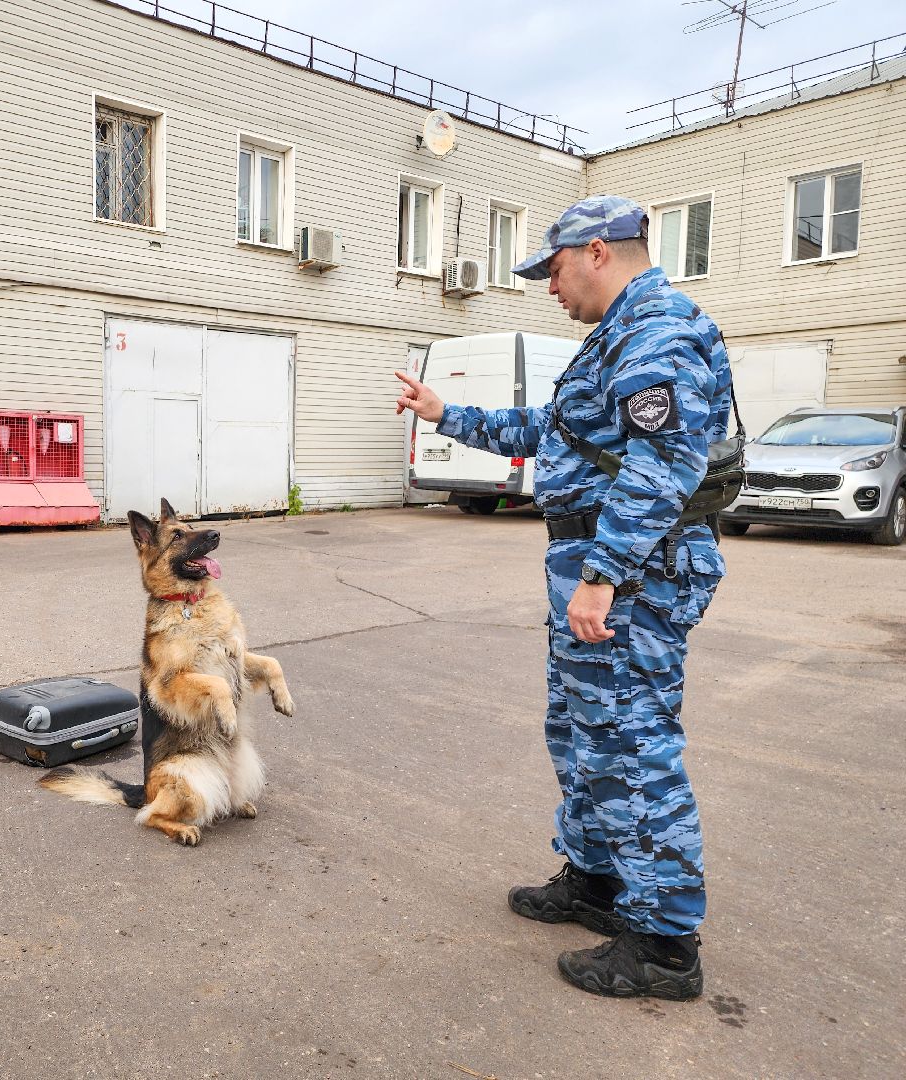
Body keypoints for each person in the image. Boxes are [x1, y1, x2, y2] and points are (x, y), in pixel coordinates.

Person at [394, 195, 733, 1001]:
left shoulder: (659, 333)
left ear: (598, 252)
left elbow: (662, 470)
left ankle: (662, 943)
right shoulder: (612, 340)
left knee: (633, 746)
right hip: (592, 570)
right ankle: (597, 881)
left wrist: (603, 575)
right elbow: (554, 430)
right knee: (582, 732)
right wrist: (449, 414)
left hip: (631, 580)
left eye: (551, 268)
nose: (548, 286)